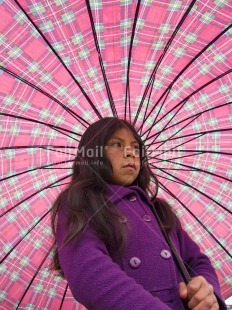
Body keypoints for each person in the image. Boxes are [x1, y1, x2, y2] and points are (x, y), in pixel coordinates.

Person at [51, 117, 226, 310]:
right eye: (117, 144)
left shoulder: (160, 211)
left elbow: (197, 261)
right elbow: (89, 272)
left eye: (136, 148)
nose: (130, 153)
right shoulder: (79, 203)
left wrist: (207, 292)